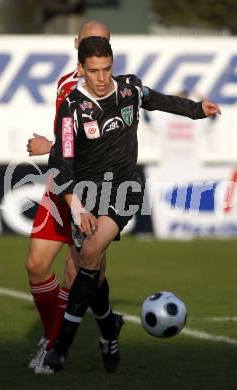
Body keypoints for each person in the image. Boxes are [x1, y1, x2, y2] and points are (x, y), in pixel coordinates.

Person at [45, 36, 221, 372]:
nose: (101, 78)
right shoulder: (71, 108)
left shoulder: (129, 90)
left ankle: (61, 347)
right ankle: (110, 327)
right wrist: (75, 205)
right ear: (81, 69)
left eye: (107, 69)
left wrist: (197, 110)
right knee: (90, 267)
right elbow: (62, 160)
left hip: (124, 190)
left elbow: (159, 101)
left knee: (92, 250)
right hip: (85, 192)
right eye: (93, 71)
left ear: (113, 64)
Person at [26, 21, 122, 375]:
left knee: (79, 269)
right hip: (61, 184)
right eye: (90, 42)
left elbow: (97, 147)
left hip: (96, 189)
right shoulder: (65, 86)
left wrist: (48, 148)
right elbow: (68, 143)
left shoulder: (116, 90)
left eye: (104, 44)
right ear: (78, 44)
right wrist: (55, 151)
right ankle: (108, 324)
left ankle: (52, 345)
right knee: (37, 265)